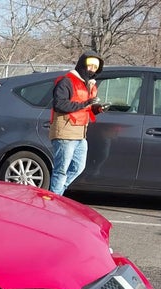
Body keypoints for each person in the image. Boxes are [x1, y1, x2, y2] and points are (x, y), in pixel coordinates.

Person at [49, 51, 109, 195]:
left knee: (78, 167)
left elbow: (85, 109)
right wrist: (86, 103)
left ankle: (58, 193)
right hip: (65, 132)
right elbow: (60, 105)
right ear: (82, 65)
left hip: (81, 133)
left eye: (95, 67)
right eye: (90, 66)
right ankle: (54, 199)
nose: (92, 69)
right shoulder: (66, 81)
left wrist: (98, 109)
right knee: (61, 170)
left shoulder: (89, 85)